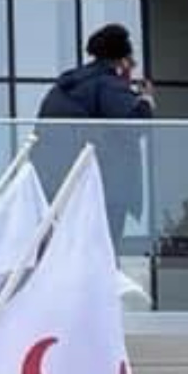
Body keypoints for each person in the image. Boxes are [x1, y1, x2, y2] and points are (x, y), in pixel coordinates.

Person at [36, 22, 156, 245]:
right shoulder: (108, 85)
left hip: (57, 188)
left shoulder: (66, 86)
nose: (132, 69)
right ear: (121, 62)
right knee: (102, 257)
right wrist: (146, 101)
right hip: (102, 190)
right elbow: (135, 126)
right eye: (131, 62)